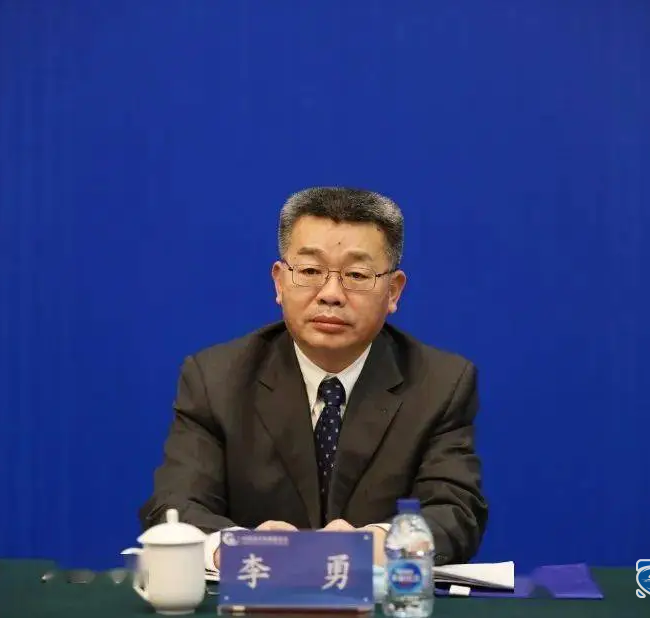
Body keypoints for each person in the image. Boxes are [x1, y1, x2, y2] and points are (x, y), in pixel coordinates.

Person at [139, 187, 487, 570]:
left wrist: (378, 544)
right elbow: (175, 505)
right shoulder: (215, 380)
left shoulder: (440, 384)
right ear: (279, 282)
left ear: (393, 291)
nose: (331, 294)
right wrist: (236, 548)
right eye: (310, 271)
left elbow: (456, 512)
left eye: (356, 275)